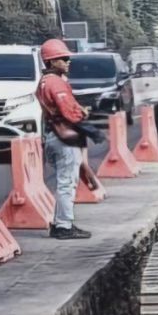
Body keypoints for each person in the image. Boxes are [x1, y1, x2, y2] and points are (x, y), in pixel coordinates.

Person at [37, 39, 95, 240]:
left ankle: (60, 223)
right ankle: (64, 226)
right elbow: (69, 112)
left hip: (52, 136)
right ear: (52, 62)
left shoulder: (44, 82)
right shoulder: (56, 83)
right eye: (63, 58)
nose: (68, 61)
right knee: (67, 183)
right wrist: (83, 114)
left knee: (65, 181)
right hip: (63, 138)